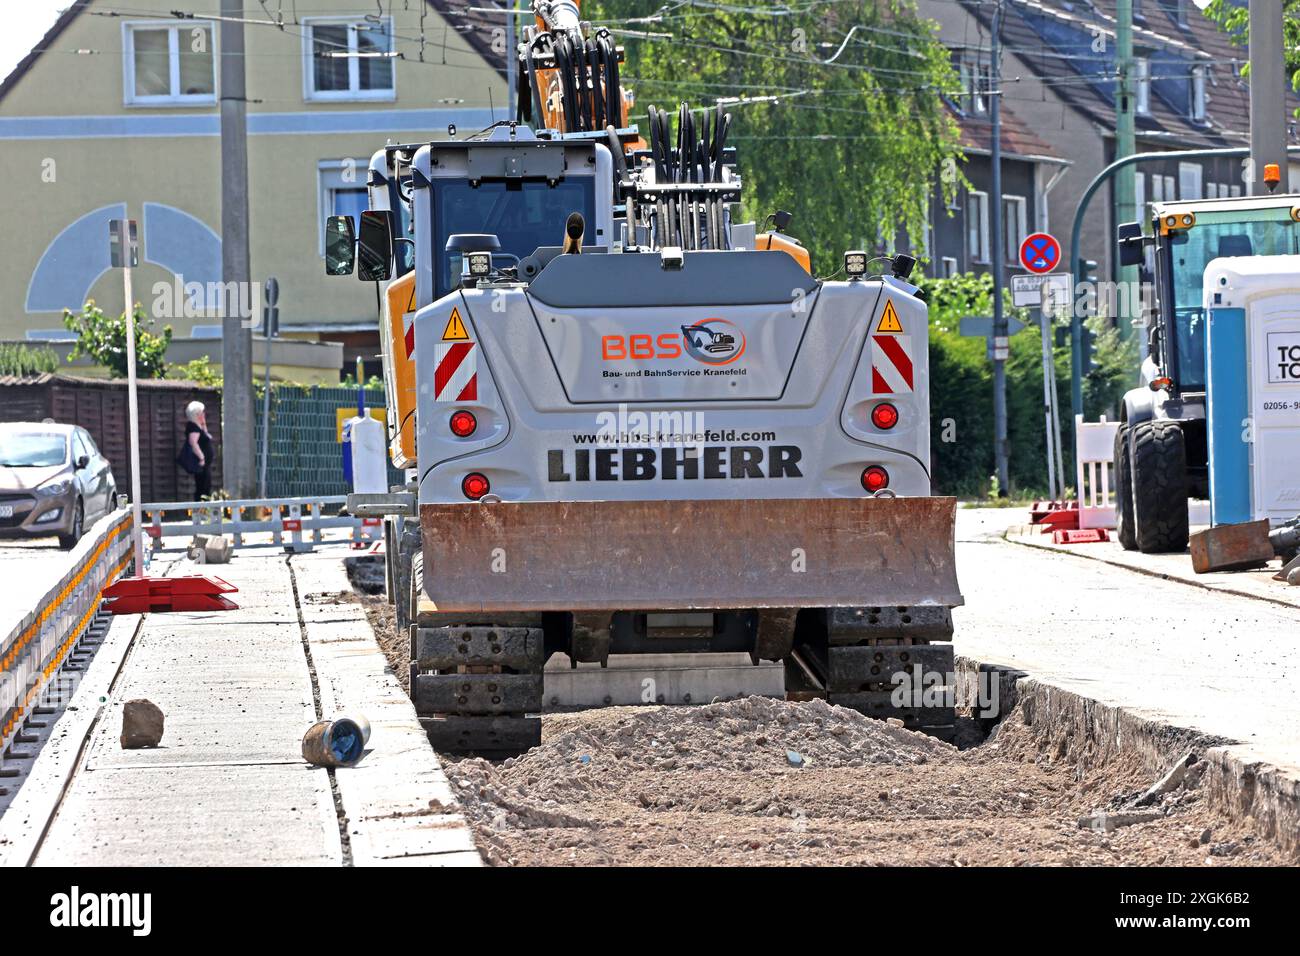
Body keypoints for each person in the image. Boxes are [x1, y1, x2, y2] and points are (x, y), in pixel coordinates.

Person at [183, 401, 216, 498]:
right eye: (202, 413)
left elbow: (207, 436)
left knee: (206, 485)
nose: (204, 414)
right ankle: (201, 510)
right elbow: (193, 443)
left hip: (206, 464)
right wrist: (201, 458)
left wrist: (203, 423)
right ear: (196, 414)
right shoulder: (193, 427)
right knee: (202, 487)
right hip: (201, 463)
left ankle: (204, 509)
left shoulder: (198, 426)